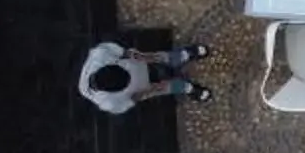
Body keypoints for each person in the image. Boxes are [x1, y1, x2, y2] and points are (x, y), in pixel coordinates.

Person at [79, 41, 212, 112]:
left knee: (157, 57)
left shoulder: (100, 55)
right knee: (162, 89)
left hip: (133, 63)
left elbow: (122, 52)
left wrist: (141, 56)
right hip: (139, 87)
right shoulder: (108, 102)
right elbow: (133, 99)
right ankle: (186, 88)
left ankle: (182, 55)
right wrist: (150, 91)